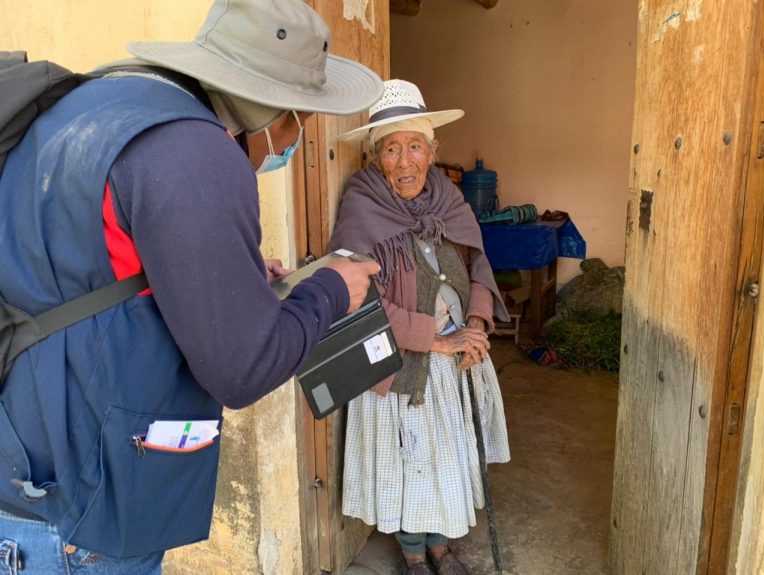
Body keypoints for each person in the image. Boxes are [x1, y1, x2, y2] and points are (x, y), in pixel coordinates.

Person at [0, 1, 383, 573]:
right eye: (300, 116)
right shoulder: (198, 151)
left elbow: (90, 267)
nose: (294, 137)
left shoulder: (101, 102)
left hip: (28, 469)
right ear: (270, 111)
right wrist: (330, 287)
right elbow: (243, 369)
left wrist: (232, 278)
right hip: (85, 512)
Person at [330, 79, 512, 575]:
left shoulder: (447, 197)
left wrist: (475, 324)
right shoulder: (361, 203)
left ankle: (440, 547)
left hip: (455, 356)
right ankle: (414, 554)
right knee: (411, 462)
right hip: (401, 360)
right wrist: (435, 340)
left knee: (446, 458)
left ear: (433, 152)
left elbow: (476, 262)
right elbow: (357, 298)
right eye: (392, 148)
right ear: (375, 156)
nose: (404, 161)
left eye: (415, 146)